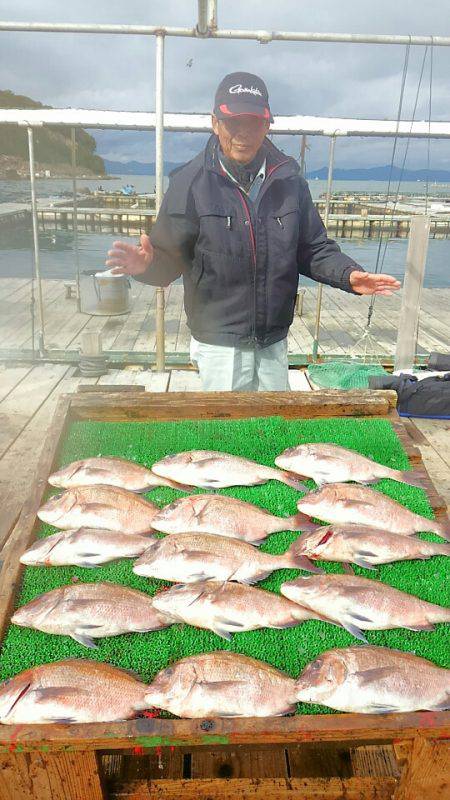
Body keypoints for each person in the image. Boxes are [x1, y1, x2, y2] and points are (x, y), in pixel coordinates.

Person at [105, 71, 400, 391]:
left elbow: (313, 248)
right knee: (224, 433)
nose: (243, 133)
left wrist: (350, 276)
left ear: (268, 124)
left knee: (273, 428)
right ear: (215, 123)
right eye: (234, 123)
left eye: (254, 122)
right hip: (219, 345)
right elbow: (168, 260)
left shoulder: (291, 182)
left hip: (273, 341)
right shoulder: (189, 183)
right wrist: (147, 265)